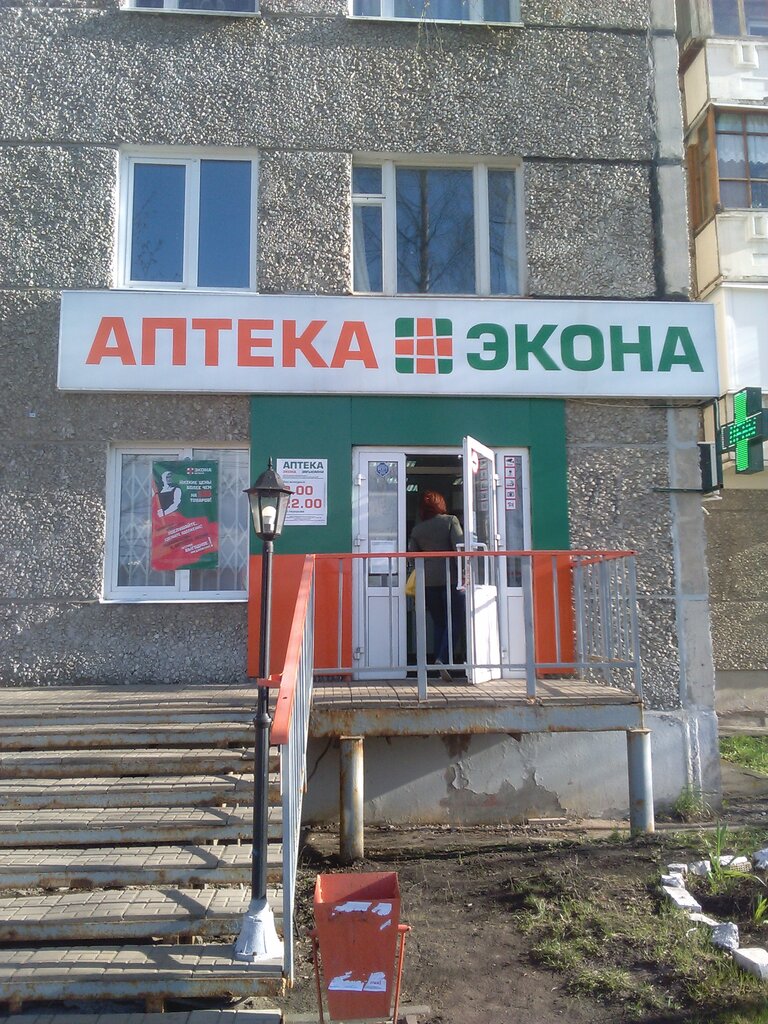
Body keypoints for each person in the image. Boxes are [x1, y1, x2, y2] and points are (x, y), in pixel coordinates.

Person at [408, 490, 465, 682]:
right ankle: (443, 659)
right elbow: (459, 548)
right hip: (451, 580)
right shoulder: (450, 521)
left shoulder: (418, 530)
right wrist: (465, 574)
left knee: (439, 622)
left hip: (428, 581)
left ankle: (436, 664)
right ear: (441, 504)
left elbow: (413, 556)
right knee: (455, 620)